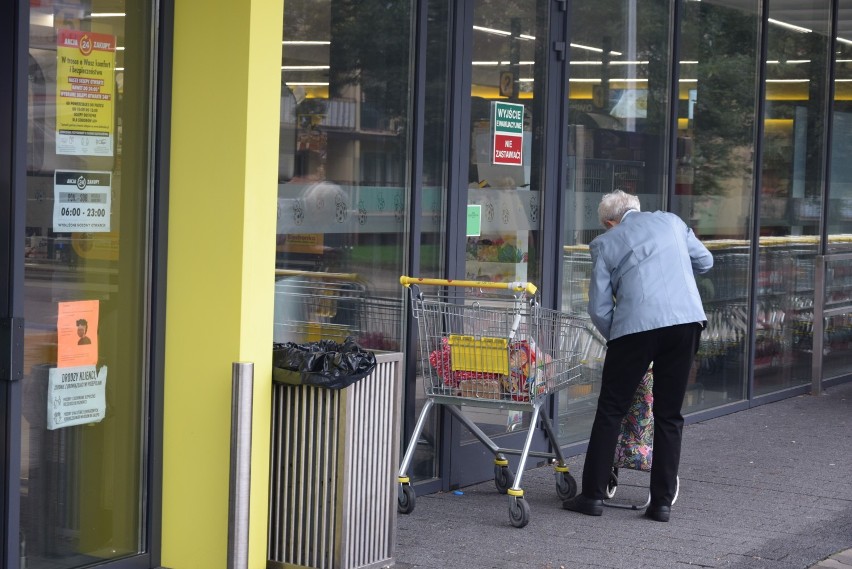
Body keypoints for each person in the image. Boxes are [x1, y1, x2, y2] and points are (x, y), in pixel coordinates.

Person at [562, 190, 713, 523]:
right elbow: (705, 262)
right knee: (669, 414)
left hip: (635, 329)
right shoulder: (673, 223)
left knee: (611, 410)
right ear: (637, 209)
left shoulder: (607, 242)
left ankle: (592, 496)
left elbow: (599, 306)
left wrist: (617, 336)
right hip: (685, 322)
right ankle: (660, 504)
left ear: (609, 221)